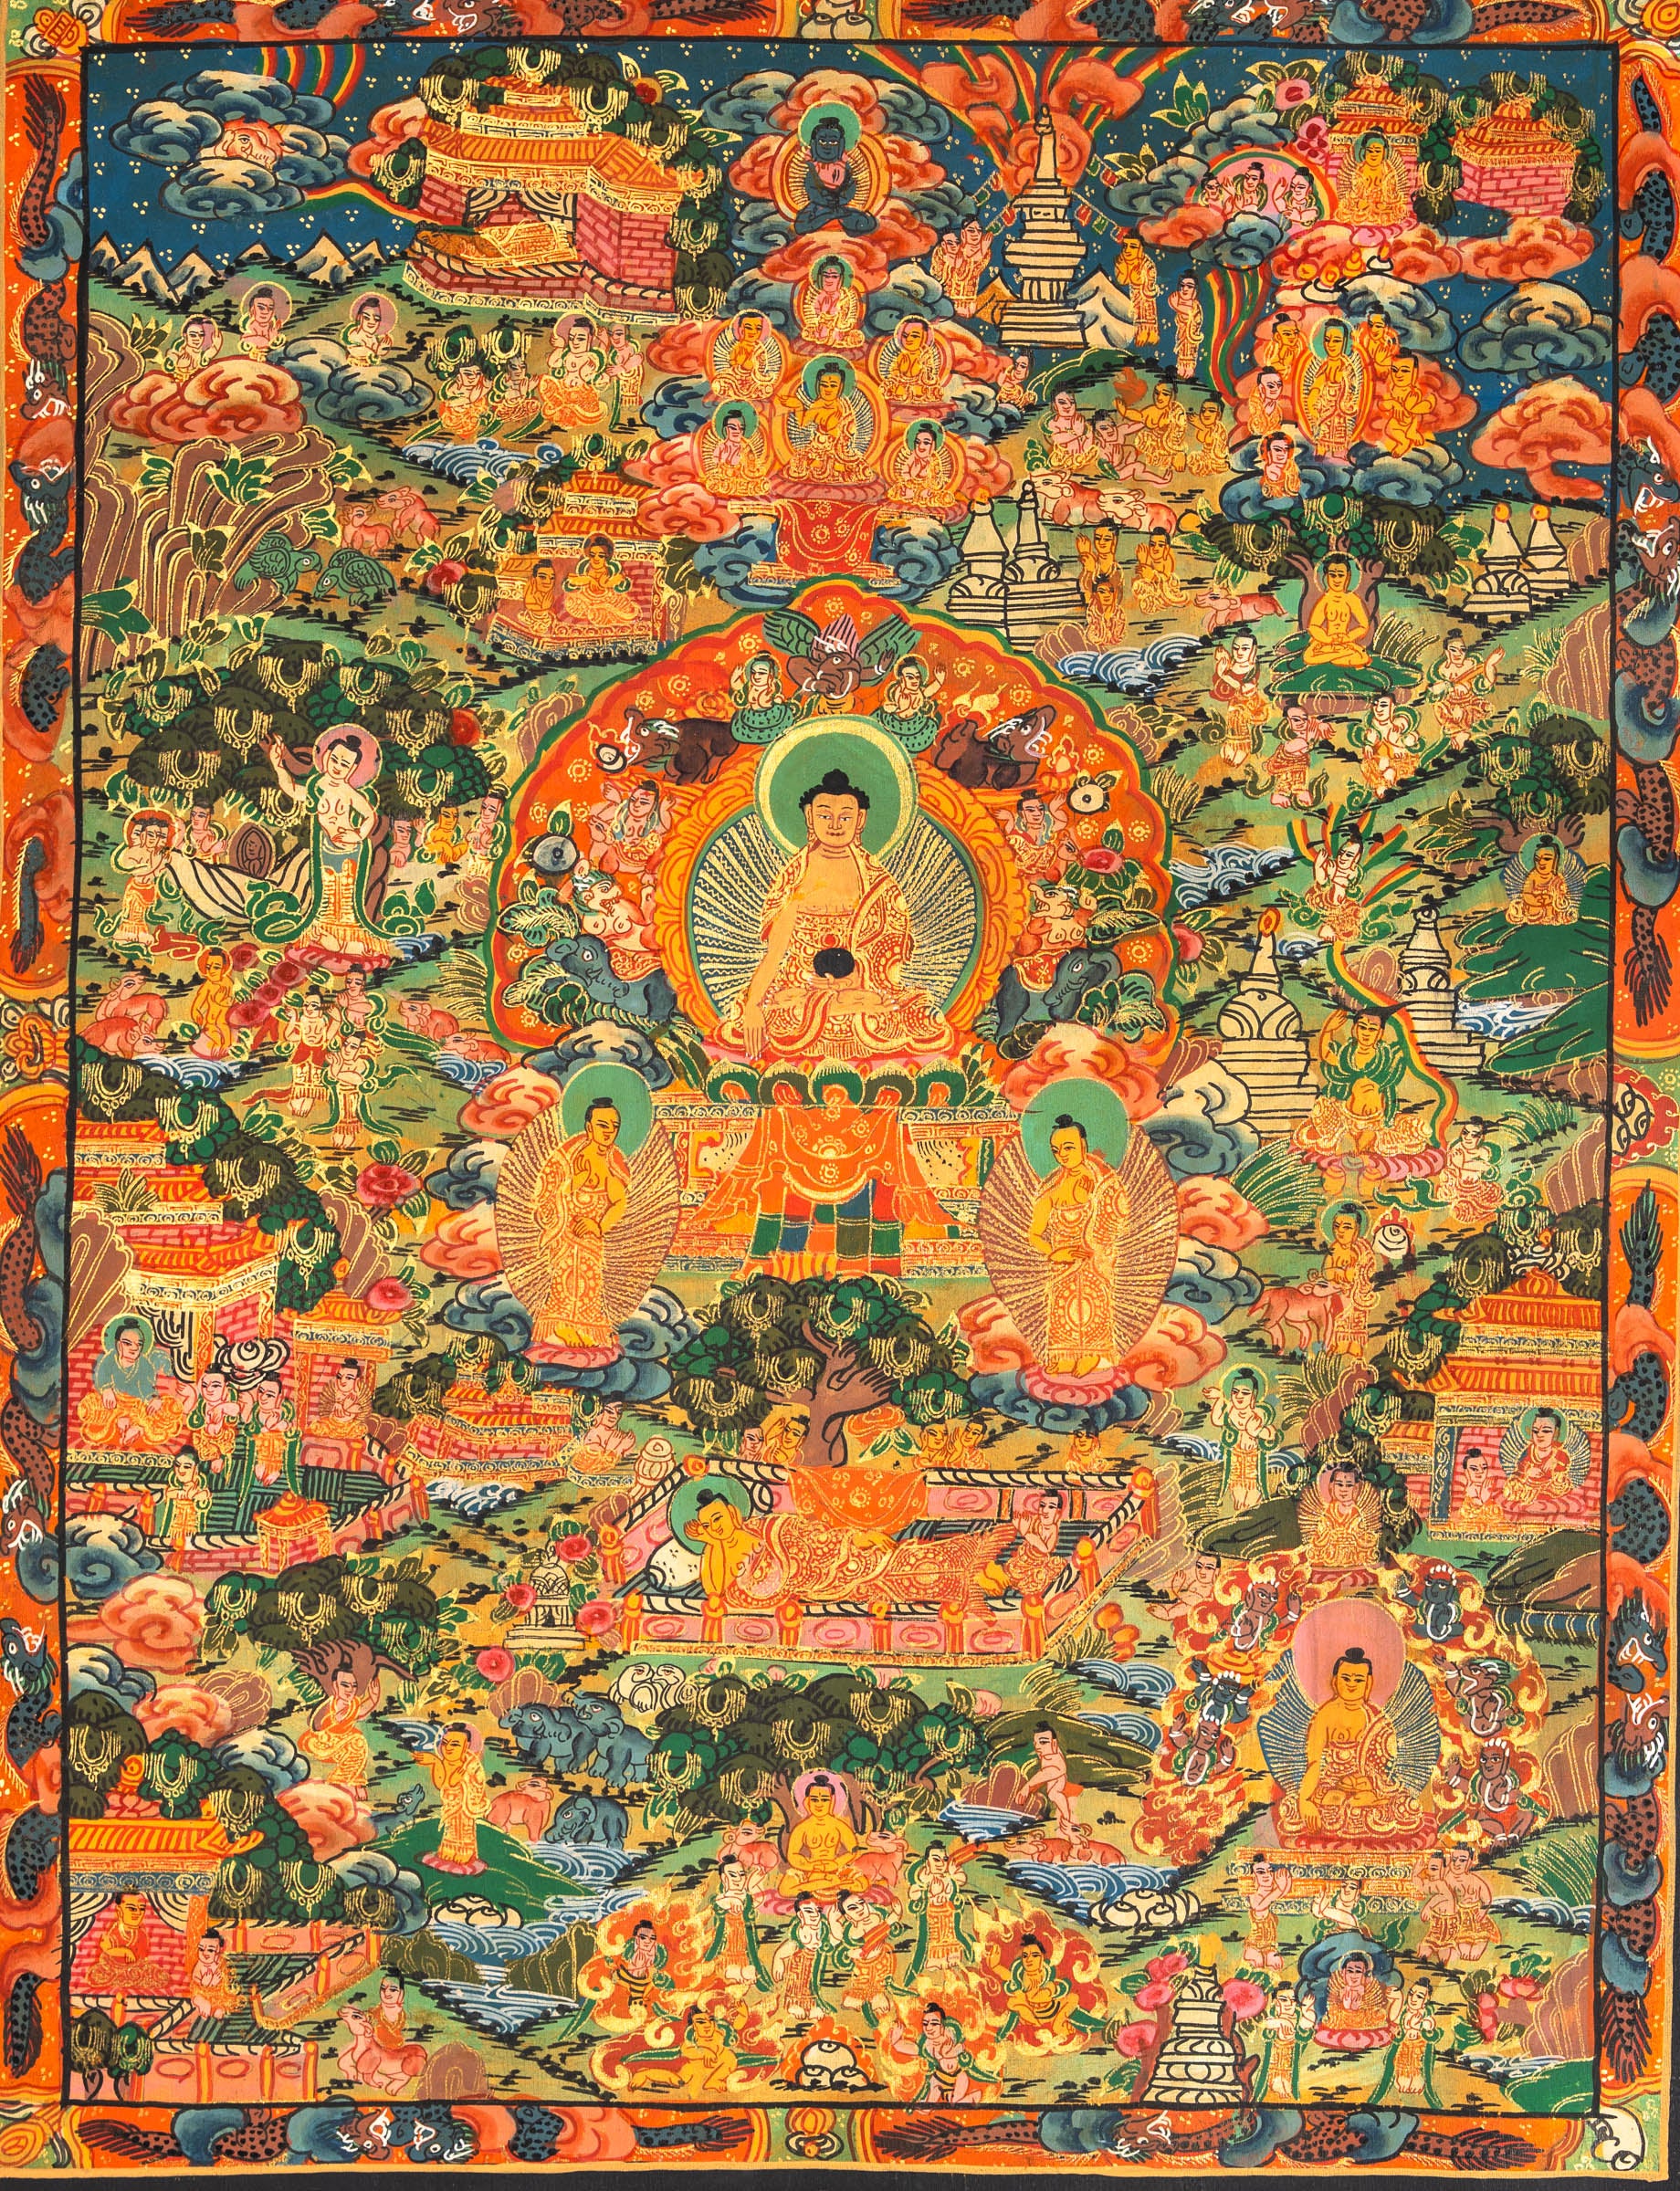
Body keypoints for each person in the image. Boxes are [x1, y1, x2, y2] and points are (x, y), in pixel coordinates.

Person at [718, 770, 954, 1065]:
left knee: (921, 1017)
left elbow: (889, 961)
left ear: (861, 819)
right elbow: (775, 953)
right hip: (802, 986)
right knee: (760, 1017)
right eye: (824, 815)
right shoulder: (796, 876)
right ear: (809, 816)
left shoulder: (877, 882)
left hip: (862, 990)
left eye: (845, 816)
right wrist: (754, 1005)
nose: (834, 825)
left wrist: (856, 979)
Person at [264, 729, 391, 967]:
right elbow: (292, 789)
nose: (338, 766)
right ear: (325, 757)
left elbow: (369, 816)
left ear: (353, 769)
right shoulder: (316, 787)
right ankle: (325, 936)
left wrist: (357, 835)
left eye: (345, 764)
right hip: (325, 848)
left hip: (349, 850)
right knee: (327, 895)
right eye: (335, 759)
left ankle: (350, 939)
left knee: (346, 897)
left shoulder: (349, 793)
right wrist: (278, 765)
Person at [1280, 1646, 1427, 1845]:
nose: (1351, 1685)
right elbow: (1314, 1764)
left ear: (1368, 1683)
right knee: (1332, 1800)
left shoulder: (1376, 1718)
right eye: (1346, 1678)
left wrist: (1370, 1783)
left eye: (1358, 1680)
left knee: (1401, 1804)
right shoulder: (1325, 1716)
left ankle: (1360, 1812)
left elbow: (1383, 1769)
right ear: (1335, 1681)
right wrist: (1305, 1801)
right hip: (1332, 1785)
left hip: (1368, 1789)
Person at [526, 1096, 632, 1358]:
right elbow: (549, 1193)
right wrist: (575, 1182)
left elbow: (619, 1201)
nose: (609, 1132)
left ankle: (585, 1326)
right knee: (563, 1279)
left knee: (590, 1283)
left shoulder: (612, 1163)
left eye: (614, 1126)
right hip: (565, 1235)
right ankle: (562, 1326)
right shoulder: (571, 1156)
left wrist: (599, 1225)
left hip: (592, 1240)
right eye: (602, 1125)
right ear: (589, 1127)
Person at [1028, 1114, 1129, 1376]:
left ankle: (1091, 1354)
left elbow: (1119, 1221)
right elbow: (1034, 1234)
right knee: (1062, 1309)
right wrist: (1055, 1253)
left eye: (1068, 1147)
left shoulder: (1103, 1184)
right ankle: (1065, 1355)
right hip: (1062, 1266)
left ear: (1083, 1146)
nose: (1062, 1155)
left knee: (1093, 1303)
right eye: (1056, 1150)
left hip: (1093, 1263)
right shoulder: (1051, 1191)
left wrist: (1094, 1201)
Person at [781, 1777, 866, 1902]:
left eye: (825, 1800)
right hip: (811, 1870)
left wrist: (837, 1863)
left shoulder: (838, 1825)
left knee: (863, 1883)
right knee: (784, 1889)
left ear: (832, 1801)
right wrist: (810, 1865)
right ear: (807, 1802)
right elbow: (792, 1855)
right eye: (814, 1800)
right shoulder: (802, 1828)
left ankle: (820, 1884)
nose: (819, 1804)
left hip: (835, 1869)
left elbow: (853, 1849)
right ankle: (829, 1883)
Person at [1298, 1458, 1383, 1578]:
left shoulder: (1357, 1514)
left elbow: (1366, 1539)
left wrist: (1353, 1538)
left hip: (1354, 1558)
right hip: (1329, 1557)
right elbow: (1318, 1540)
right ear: (1331, 1487)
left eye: (1349, 1485)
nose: (1344, 1489)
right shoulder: (1328, 1513)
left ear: (1356, 1488)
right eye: (1339, 1484)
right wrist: (1331, 1537)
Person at [423, 1724, 492, 1872]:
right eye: (445, 1743)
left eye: (455, 1744)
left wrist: (463, 1782)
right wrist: (436, 1763)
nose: (448, 1748)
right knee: (451, 1829)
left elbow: (477, 1785)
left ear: (466, 1746)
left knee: (464, 1829)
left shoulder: (472, 1765)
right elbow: (441, 1784)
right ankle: (448, 1851)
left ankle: (466, 1854)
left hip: (465, 1807)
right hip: (451, 1805)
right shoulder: (445, 1762)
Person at [301, 1658, 377, 1790]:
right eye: (345, 1685)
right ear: (335, 1686)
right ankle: (343, 1783)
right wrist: (333, 1720)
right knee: (357, 1740)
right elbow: (315, 1726)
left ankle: (349, 1781)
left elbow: (363, 1709)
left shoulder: (353, 1705)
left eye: (354, 1686)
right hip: (322, 1742)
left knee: (358, 1742)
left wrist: (374, 1698)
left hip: (344, 1744)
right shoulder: (327, 1706)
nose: (350, 1690)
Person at [1301, 554, 1372, 668]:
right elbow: (1313, 626)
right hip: (1326, 643)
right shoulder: (1325, 600)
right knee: (1308, 657)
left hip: (1345, 643)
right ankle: (1339, 656)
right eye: (1333, 575)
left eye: (1341, 575)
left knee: (1362, 657)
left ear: (1348, 576)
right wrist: (1327, 639)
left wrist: (1348, 637)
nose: (1337, 580)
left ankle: (1334, 657)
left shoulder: (1352, 599)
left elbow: (1364, 626)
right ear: (1326, 576)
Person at [794, 259, 864, 352]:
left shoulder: (845, 297)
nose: (829, 280)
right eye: (826, 276)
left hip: (839, 330)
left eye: (834, 276)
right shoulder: (820, 297)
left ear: (841, 279)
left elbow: (849, 319)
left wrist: (841, 324)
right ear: (820, 278)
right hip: (822, 330)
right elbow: (815, 313)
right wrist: (820, 323)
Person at [1507, 835, 1579, 926]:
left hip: (1551, 908)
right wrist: (1536, 900)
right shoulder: (1532, 876)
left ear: (1556, 860)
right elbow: (1526, 894)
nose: (1541, 863)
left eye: (1546, 859)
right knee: (1529, 910)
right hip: (1535, 907)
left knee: (1561, 912)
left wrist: (1554, 899)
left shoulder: (1557, 879)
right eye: (1537, 859)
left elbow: (1562, 897)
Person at [1132, 525, 1188, 613]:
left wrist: (1152, 575)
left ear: (1166, 549)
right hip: (1152, 587)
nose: (1155, 548)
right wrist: (1143, 563)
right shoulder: (1148, 558)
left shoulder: (1167, 561)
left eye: (1160, 545)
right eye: (1152, 545)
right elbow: (1144, 576)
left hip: (1164, 589)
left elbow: (1164, 582)